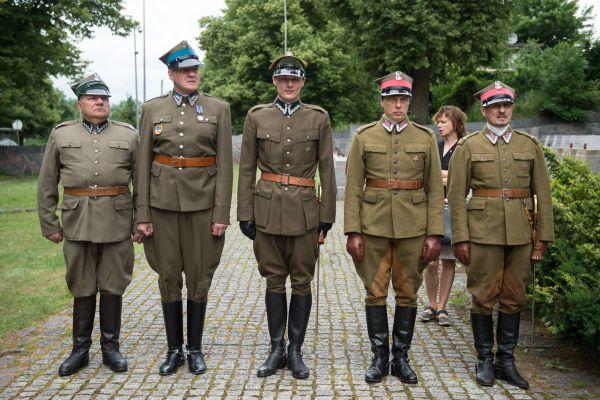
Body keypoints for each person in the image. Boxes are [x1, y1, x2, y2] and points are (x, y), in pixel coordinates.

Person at [447, 81, 554, 389]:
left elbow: (542, 194)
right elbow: (456, 197)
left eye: (506, 105)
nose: (502, 110)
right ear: (484, 110)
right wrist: (461, 238)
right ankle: (484, 359)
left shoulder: (528, 145)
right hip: (482, 232)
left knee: (514, 296)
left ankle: (506, 361)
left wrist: (542, 236)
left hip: (521, 233)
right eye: (495, 106)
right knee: (482, 295)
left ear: (512, 108)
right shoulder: (468, 147)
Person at [237, 52, 336, 380]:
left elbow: (327, 169)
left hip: (306, 212)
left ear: (302, 82)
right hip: (266, 209)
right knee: (274, 279)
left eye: (294, 79)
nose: (289, 84)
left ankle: (295, 350)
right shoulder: (257, 117)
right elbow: (247, 167)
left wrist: (327, 215)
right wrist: (245, 212)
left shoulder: (318, 118)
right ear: (275, 82)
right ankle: (276, 347)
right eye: (283, 79)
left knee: (302, 280)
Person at [136, 41, 233, 375]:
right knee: (167, 275)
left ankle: (195, 349)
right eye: (185, 70)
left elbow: (225, 165)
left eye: (195, 69)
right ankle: (174, 350)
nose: (193, 74)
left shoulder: (218, 109)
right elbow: (143, 164)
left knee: (199, 274)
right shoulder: (151, 109)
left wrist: (222, 213)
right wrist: (143, 214)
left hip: (204, 206)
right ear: (171, 74)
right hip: (162, 207)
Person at [344, 71, 444, 384]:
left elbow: (434, 191)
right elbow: (352, 188)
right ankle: (379, 356)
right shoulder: (364, 136)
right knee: (375, 292)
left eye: (403, 99)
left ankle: (401, 356)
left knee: (407, 292)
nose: (398, 104)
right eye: (392, 99)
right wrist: (353, 231)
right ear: (383, 101)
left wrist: (434, 233)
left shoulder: (425, 137)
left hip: (413, 228)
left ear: (409, 102)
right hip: (372, 227)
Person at [37, 73, 139, 376]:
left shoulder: (128, 135)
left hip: (117, 221)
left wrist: (141, 221)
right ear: (80, 103)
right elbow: (46, 182)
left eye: (104, 98)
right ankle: (79, 350)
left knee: (113, 285)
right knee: (81, 284)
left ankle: (111, 349)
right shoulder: (60, 134)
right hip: (76, 220)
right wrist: (49, 222)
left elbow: (141, 183)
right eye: (93, 98)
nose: (100, 102)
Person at [420, 105, 467, 327]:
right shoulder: (434, 147)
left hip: (455, 210)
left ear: (456, 124)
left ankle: (442, 307)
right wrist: (447, 177)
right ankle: (430, 303)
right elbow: (425, 176)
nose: (438, 125)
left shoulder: (464, 148)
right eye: (437, 121)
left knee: (449, 260)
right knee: (430, 260)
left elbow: (466, 179)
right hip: (432, 208)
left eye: (443, 121)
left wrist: (445, 177)